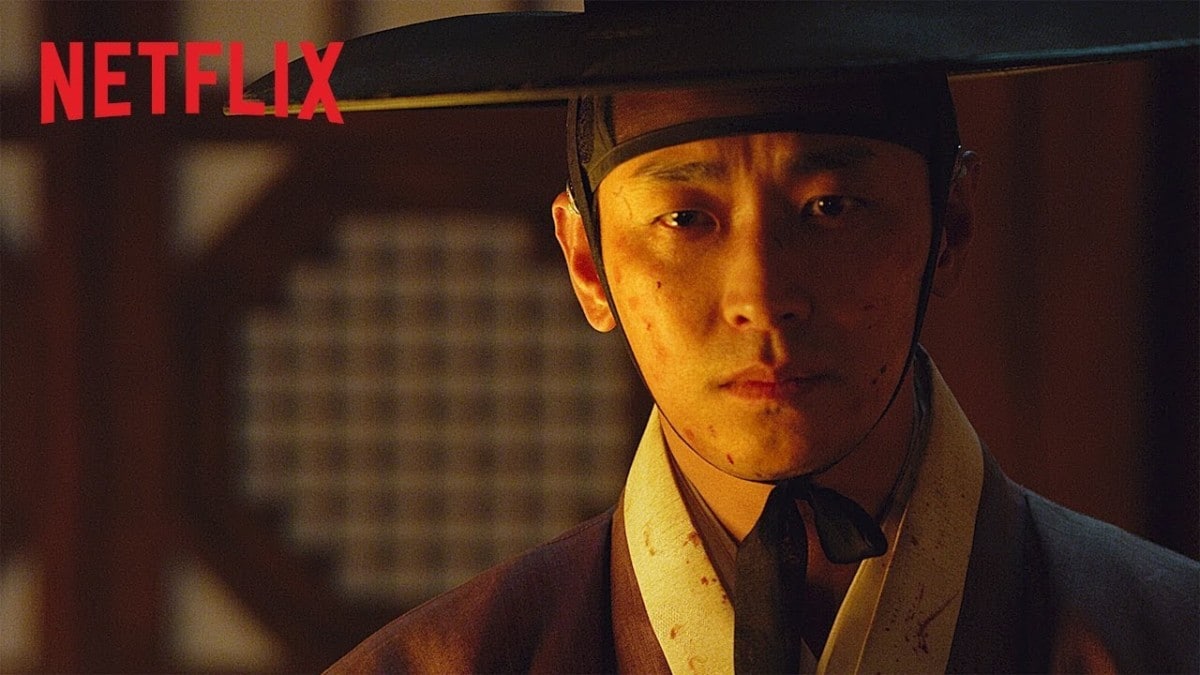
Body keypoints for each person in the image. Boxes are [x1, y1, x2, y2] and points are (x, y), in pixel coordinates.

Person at [245, 3, 1200, 672]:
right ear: (586, 263)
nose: (764, 298)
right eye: (686, 219)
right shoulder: (440, 662)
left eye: (831, 207)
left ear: (949, 226)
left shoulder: (1163, 636)